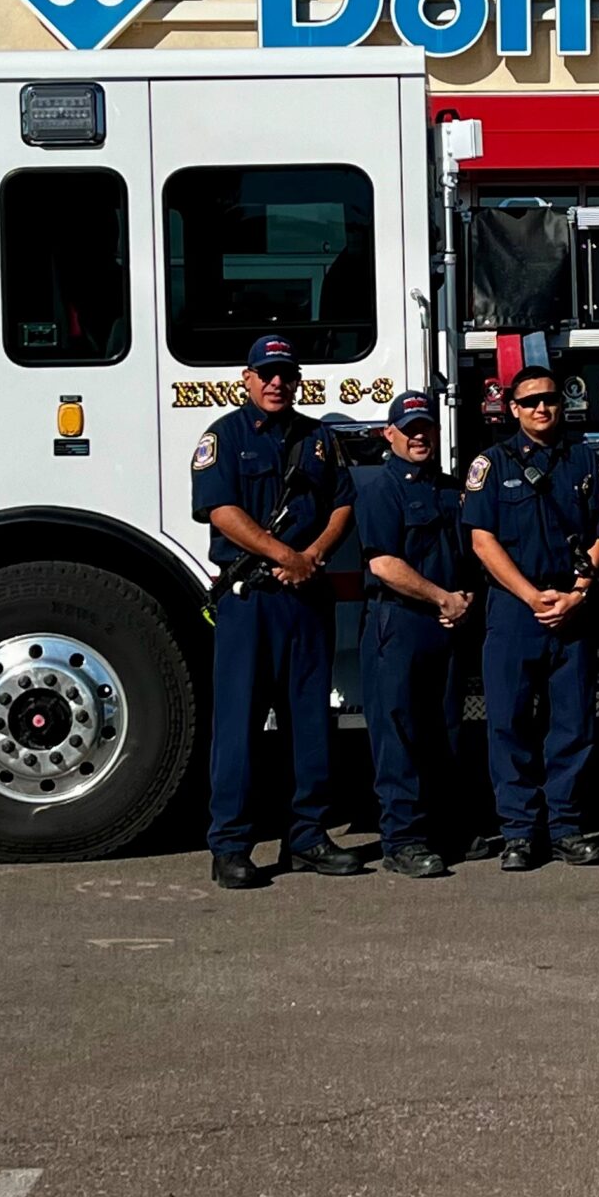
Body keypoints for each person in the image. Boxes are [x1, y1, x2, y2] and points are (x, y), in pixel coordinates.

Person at [193, 334, 360, 891]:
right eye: (266, 373)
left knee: (310, 723)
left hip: (306, 597)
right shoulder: (223, 437)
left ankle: (307, 836)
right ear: (247, 379)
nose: (276, 383)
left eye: (286, 374)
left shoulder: (318, 439)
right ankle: (232, 846)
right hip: (252, 602)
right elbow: (221, 512)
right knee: (238, 725)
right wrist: (284, 555)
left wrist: (311, 557)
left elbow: (341, 505)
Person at [464, 362, 599, 871]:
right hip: (514, 610)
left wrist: (579, 591)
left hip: (572, 608)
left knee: (572, 723)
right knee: (508, 722)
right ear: (512, 408)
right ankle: (520, 833)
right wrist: (530, 596)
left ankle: (568, 828)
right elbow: (482, 541)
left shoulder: (585, 461)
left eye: (549, 398)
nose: (541, 408)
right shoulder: (492, 464)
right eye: (529, 401)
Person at [351, 389, 476, 880]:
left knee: (442, 729)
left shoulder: (449, 488)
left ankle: (444, 830)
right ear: (390, 435)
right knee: (397, 732)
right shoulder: (382, 490)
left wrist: (462, 598)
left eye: (425, 428)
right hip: (398, 623)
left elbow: (466, 553)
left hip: (445, 622)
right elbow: (383, 563)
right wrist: (440, 597)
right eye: (409, 430)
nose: (419, 436)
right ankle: (402, 840)